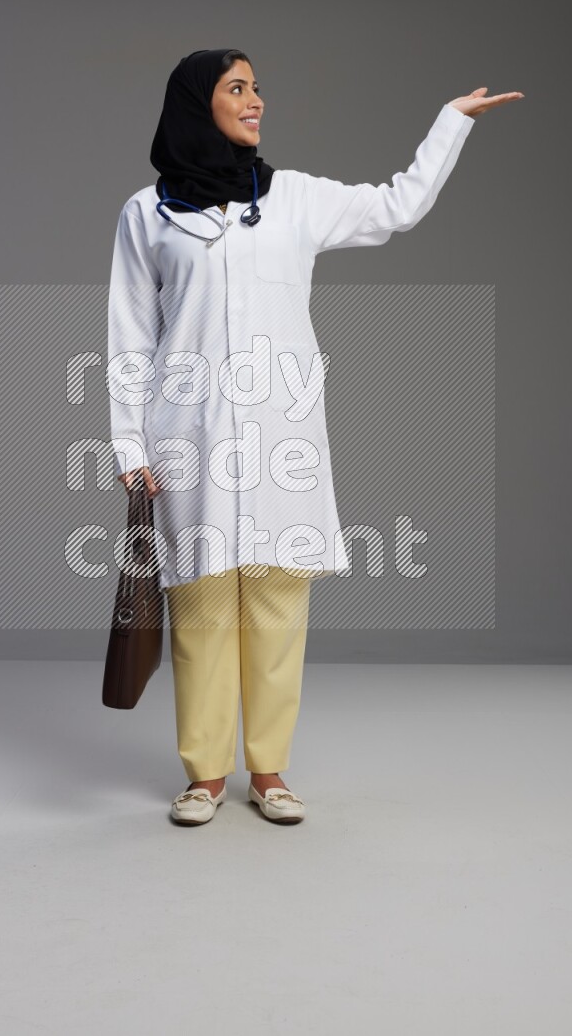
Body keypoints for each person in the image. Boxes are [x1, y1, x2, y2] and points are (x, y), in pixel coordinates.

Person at [107, 48, 523, 825]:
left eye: (258, 87)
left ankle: (268, 770)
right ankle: (203, 774)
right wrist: (129, 447)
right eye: (238, 88)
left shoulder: (292, 199)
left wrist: (449, 124)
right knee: (199, 607)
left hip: (280, 435)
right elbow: (130, 337)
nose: (256, 100)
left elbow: (396, 206)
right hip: (186, 438)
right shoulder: (148, 213)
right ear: (200, 105)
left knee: (274, 605)